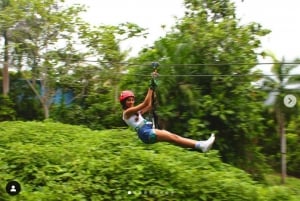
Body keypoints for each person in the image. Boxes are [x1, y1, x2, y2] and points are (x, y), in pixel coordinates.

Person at [119, 78, 215, 153]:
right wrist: (151, 86)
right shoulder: (126, 113)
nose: (131, 101)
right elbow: (145, 103)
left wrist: (153, 88)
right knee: (174, 138)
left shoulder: (135, 112)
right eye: (128, 100)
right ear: (124, 102)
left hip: (146, 131)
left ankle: (200, 145)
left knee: (174, 138)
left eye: (132, 99)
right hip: (145, 132)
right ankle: (201, 146)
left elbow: (149, 106)